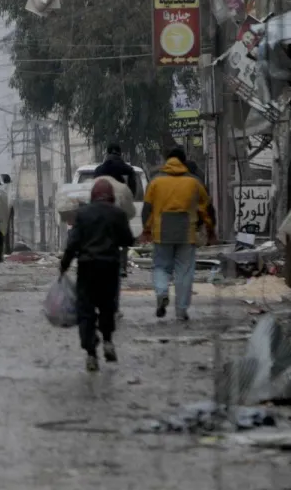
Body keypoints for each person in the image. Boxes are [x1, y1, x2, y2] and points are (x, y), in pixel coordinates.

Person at [61, 179, 135, 372]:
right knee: (107, 306)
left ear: (92, 195)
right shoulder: (118, 214)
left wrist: (64, 265)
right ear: (111, 195)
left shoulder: (83, 214)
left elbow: (73, 243)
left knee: (85, 310)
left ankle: (91, 354)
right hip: (110, 267)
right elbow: (128, 239)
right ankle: (108, 341)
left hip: (87, 268)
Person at [142, 146, 215, 322]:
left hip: (162, 230)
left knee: (161, 266)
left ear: (167, 161)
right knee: (185, 271)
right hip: (186, 231)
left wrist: (147, 230)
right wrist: (211, 230)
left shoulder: (156, 182)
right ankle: (181, 310)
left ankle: (162, 293)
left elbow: (147, 209)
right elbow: (206, 209)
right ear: (183, 162)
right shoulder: (194, 182)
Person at [92, 144, 139, 277]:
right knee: (123, 237)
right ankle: (122, 268)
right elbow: (132, 189)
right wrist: (130, 198)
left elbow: (93, 189)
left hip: (100, 208)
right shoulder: (127, 169)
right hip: (120, 208)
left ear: (107, 153)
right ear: (120, 153)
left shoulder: (99, 170)